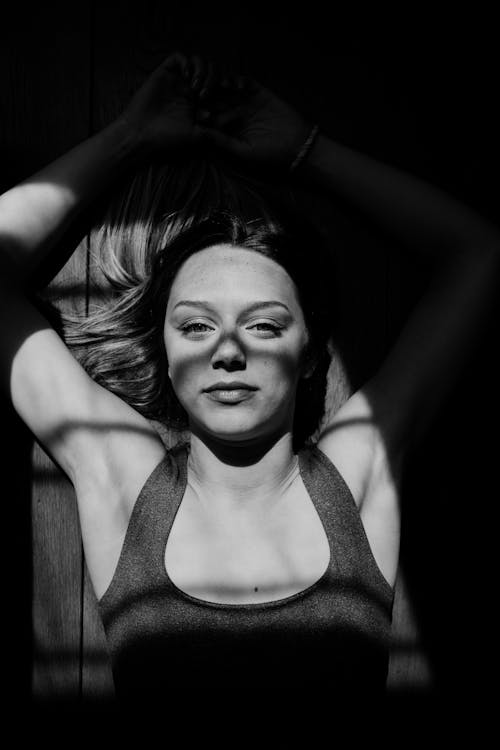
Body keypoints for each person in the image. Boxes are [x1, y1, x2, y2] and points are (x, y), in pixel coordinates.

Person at [0, 52, 498, 702]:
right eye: (197, 327)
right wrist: (128, 138)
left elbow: (475, 252)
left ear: (311, 354)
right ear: (165, 353)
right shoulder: (124, 484)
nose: (227, 352)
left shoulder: (355, 477)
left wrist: (307, 151)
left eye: (263, 326)